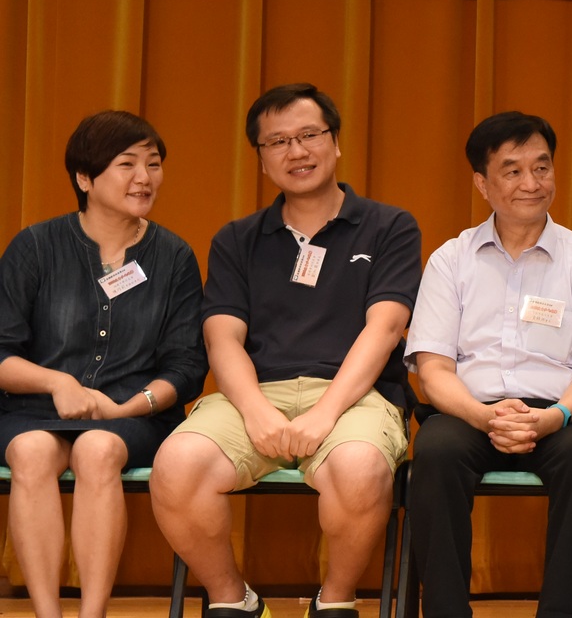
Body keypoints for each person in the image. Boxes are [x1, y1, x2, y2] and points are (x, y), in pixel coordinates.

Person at [150, 83, 422, 618]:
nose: (296, 151)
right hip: (256, 392)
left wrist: (325, 412)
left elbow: (386, 328)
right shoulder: (237, 239)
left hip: (355, 396)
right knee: (177, 465)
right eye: (277, 141)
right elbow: (222, 337)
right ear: (261, 158)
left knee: (360, 468)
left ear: (335, 142)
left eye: (308, 135)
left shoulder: (389, 226)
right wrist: (255, 410)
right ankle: (234, 601)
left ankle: (334, 601)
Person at [406, 111, 572, 618]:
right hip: (469, 411)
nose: (531, 184)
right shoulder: (451, 260)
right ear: (482, 183)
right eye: (512, 171)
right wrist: (482, 416)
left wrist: (554, 416)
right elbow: (434, 369)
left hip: (562, 413)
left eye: (542, 167)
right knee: (436, 452)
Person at [0, 110, 206, 618]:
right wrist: (57, 382)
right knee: (29, 451)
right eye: (127, 164)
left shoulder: (174, 257)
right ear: (84, 178)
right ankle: (47, 614)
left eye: (153, 164)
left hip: (135, 415)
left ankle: (93, 614)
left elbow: (185, 367)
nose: (144, 177)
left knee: (97, 449)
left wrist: (124, 408)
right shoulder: (35, 247)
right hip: (34, 409)